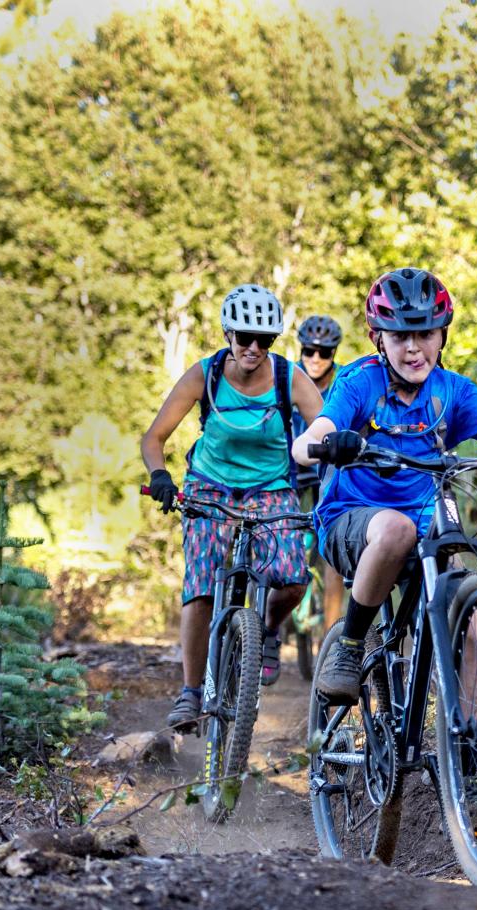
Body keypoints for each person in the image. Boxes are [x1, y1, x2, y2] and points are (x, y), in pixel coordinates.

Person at [291, 268, 477, 705]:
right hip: (353, 521)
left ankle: (465, 753)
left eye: (425, 334)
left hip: (427, 528)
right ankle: (349, 646)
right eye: (399, 335)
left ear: (442, 335)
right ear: (376, 338)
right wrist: (323, 443)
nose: (413, 348)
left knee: (475, 631)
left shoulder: (454, 392)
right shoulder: (359, 381)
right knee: (396, 529)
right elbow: (316, 433)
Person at [141, 284, 325, 731]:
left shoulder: (288, 377)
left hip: (272, 488)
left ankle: (265, 629)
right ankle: (190, 692)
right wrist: (160, 475)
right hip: (210, 486)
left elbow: (324, 426)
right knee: (202, 582)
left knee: (294, 579)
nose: (254, 348)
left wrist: (334, 467)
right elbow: (154, 438)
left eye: (266, 340)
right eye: (245, 337)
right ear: (229, 333)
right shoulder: (204, 376)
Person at [292, 315, 346, 632]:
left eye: (323, 352)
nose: (315, 358)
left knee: (331, 550)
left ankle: (331, 633)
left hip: (328, 469)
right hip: (292, 468)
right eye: (309, 350)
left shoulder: (343, 382)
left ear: (333, 354)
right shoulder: (288, 376)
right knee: (289, 537)